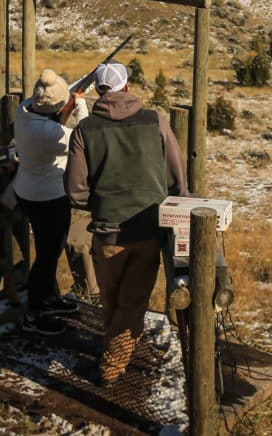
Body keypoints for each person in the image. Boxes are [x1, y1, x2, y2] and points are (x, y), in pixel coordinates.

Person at [66, 61, 188, 386]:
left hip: (106, 235)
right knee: (132, 302)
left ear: (99, 92)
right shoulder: (156, 121)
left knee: (114, 301)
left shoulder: (84, 130)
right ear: (128, 88)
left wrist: (102, 204)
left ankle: (116, 354)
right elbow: (177, 179)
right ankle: (111, 368)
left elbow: (76, 190)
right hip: (148, 231)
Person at [13, 68, 88, 335]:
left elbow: (46, 108)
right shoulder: (46, 133)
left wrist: (65, 99)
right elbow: (83, 138)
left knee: (48, 251)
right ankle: (34, 314)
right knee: (47, 256)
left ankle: (48, 299)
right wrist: (79, 105)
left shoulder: (23, 111)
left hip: (26, 191)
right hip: (48, 197)